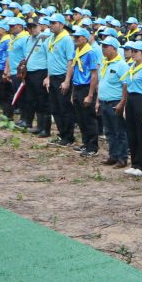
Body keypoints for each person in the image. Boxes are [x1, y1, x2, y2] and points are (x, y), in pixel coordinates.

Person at [121, 40, 142, 177]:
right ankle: (135, 163)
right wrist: (125, 107)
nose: (132, 54)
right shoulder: (131, 67)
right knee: (132, 133)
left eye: (136, 51)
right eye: (131, 51)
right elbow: (127, 87)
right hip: (131, 100)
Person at [96, 36, 129, 168]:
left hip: (115, 102)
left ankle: (122, 158)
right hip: (104, 101)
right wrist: (98, 101)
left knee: (119, 131)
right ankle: (113, 155)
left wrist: (122, 102)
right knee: (109, 131)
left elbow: (125, 85)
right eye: (102, 46)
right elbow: (101, 82)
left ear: (114, 48)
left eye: (106, 46)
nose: (103, 49)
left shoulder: (121, 65)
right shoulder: (104, 62)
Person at [44, 13, 76, 146]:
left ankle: (69, 137)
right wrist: (48, 77)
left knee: (65, 108)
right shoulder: (51, 38)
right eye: (50, 22)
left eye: (54, 23)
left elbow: (70, 61)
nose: (51, 25)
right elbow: (49, 60)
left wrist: (67, 81)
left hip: (63, 77)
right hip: (53, 77)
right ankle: (62, 133)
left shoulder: (66, 39)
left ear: (62, 25)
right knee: (55, 108)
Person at [70, 27, 99, 157]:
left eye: (78, 37)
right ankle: (85, 143)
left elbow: (94, 75)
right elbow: (75, 70)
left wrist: (90, 94)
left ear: (85, 39)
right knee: (80, 118)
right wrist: (73, 93)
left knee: (88, 118)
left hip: (86, 88)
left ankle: (92, 146)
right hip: (77, 86)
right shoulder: (77, 51)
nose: (75, 39)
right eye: (75, 37)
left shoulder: (90, 52)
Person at [23, 19, 52, 137]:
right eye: (30, 27)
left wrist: (48, 76)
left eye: (34, 26)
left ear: (40, 26)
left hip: (41, 72)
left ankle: (46, 129)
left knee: (43, 101)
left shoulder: (45, 39)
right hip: (30, 73)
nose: (32, 29)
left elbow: (50, 58)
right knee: (33, 100)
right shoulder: (28, 39)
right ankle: (39, 126)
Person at [5, 17, 29, 128]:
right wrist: (8, 70)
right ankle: (22, 118)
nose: (10, 28)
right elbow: (10, 55)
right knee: (18, 95)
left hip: (20, 72)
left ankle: (26, 119)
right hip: (13, 71)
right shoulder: (13, 38)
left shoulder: (24, 38)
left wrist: (24, 71)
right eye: (9, 26)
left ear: (20, 26)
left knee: (23, 96)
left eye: (13, 26)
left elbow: (26, 56)